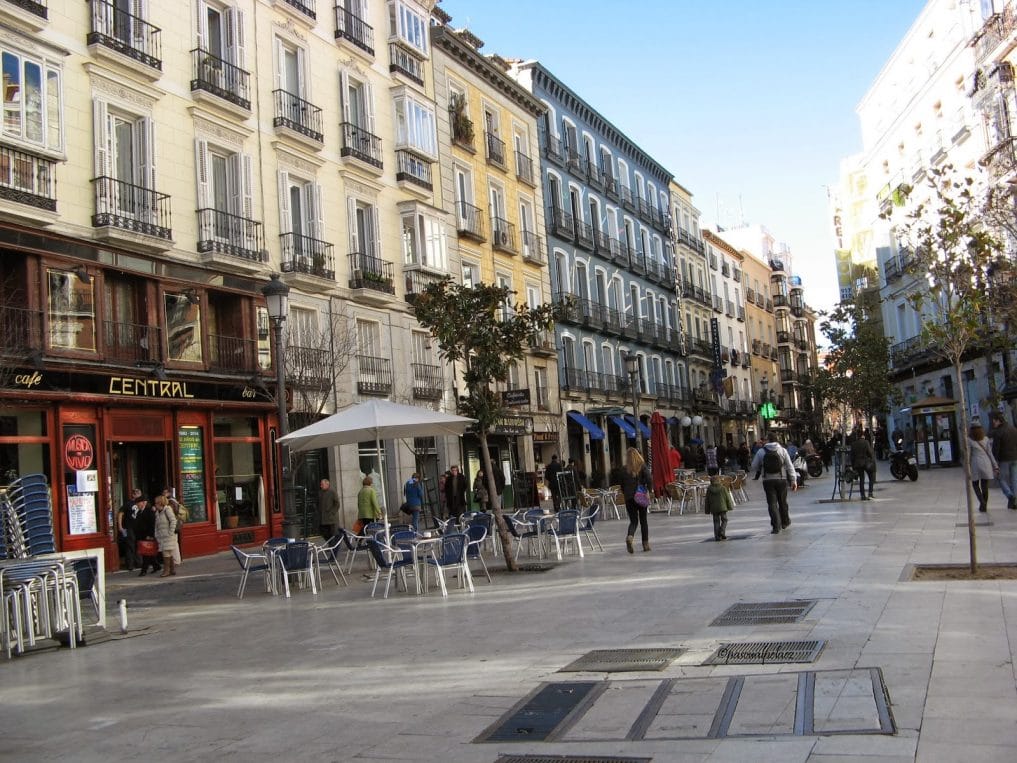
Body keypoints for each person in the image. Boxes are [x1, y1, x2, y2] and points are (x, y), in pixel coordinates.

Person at [750, 433, 798, 534]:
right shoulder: (782, 450)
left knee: (772, 504)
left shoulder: (761, 451)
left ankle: (776, 526)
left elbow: (753, 466)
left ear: (767, 440)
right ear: (777, 440)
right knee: (783, 502)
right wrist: (793, 480)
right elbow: (790, 466)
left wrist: (762, 467)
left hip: (767, 480)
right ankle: (785, 522)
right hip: (781, 479)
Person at [620, 446, 652, 553]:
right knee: (644, 521)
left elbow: (622, 485)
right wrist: (649, 490)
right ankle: (645, 544)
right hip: (640, 495)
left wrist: (626, 494)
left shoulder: (624, 469)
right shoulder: (642, 466)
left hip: (629, 498)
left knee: (633, 521)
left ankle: (630, 536)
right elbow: (649, 479)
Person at [989, 411, 1017, 510]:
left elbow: (995, 449)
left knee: (1000, 478)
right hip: (1015, 458)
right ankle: (1014, 501)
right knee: (1014, 479)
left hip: (1004, 459)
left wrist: (994, 462)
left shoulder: (998, 432)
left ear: (998, 421)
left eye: (994, 422)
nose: (993, 424)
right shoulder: (1013, 429)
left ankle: (1010, 496)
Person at [969, 423, 999, 513]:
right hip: (986, 463)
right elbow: (990, 453)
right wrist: (995, 466)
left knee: (975, 484)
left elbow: (968, 455)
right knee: (985, 485)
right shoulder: (985, 439)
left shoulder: (969, 440)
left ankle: (982, 502)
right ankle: (984, 504)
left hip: (975, 464)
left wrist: (967, 466)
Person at [134, 496, 161, 576]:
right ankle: (156, 566)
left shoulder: (149, 511)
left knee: (146, 553)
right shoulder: (139, 512)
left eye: (138, 503)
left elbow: (152, 524)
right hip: (141, 536)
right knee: (147, 552)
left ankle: (144, 570)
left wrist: (150, 535)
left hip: (148, 535)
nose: (137, 505)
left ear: (143, 503)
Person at [153, 494, 178, 577]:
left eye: (156, 503)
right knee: (168, 553)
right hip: (161, 536)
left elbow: (173, 521)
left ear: (160, 503)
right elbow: (156, 525)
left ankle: (166, 570)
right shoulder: (157, 513)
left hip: (168, 536)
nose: (155, 505)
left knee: (166, 553)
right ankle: (172, 570)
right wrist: (156, 534)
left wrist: (170, 532)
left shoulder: (167, 510)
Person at [117, 488, 142, 571]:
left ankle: (139, 563)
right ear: (133, 495)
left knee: (138, 544)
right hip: (129, 527)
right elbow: (120, 513)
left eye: (139, 493)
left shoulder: (141, 504)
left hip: (138, 528)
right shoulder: (128, 504)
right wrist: (120, 526)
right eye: (137, 493)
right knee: (130, 546)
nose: (139, 495)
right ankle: (130, 564)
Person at [704, 473, 733, 541]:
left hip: (714, 508)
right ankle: (722, 531)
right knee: (724, 520)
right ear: (719, 480)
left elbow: (707, 500)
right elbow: (727, 498)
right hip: (722, 507)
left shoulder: (709, 489)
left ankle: (717, 537)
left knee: (716, 521)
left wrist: (707, 510)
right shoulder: (723, 488)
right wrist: (730, 507)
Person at [849, 434, 876, 500]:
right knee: (871, 477)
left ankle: (862, 495)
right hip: (866, 463)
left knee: (861, 479)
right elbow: (870, 452)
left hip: (858, 464)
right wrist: (872, 460)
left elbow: (852, 457)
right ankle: (870, 493)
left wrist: (853, 466)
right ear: (863, 436)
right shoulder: (866, 442)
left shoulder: (853, 444)